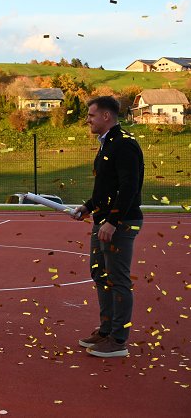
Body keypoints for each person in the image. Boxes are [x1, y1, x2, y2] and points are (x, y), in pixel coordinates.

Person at [72, 96, 144, 358]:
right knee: (100, 275)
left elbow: (129, 186)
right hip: (104, 220)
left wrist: (113, 221)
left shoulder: (124, 145)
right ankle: (106, 331)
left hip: (120, 223)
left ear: (105, 117)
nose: (88, 120)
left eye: (91, 115)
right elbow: (107, 187)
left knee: (118, 279)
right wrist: (88, 207)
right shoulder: (107, 145)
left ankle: (118, 339)